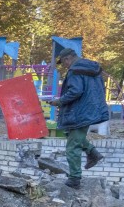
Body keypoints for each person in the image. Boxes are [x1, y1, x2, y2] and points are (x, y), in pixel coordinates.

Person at [44, 48, 108, 189]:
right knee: (70, 134)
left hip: (79, 111)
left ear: (68, 59)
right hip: (91, 108)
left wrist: (59, 101)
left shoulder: (75, 70)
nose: (64, 65)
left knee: (72, 147)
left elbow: (75, 91)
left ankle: (74, 179)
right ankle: (93, 152)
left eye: (64, 62)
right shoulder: (90, 68)